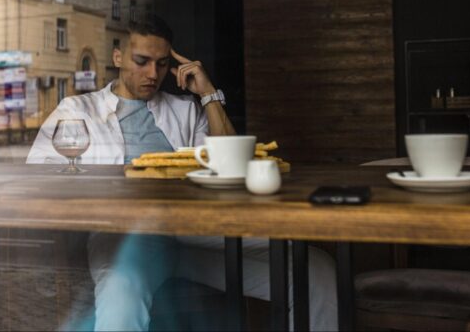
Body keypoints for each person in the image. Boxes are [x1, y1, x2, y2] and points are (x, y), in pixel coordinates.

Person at [27, 18, 337, 331]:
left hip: (196, 234)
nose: (153, 74)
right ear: (118, 57)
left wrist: (208, 93)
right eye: (142, 61)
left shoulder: (186, 110)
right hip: (127, 237)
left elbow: (234, 166)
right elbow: (39, 173)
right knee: (120, 293)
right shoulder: (78, 111)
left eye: (162, 64)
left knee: (315, 270)